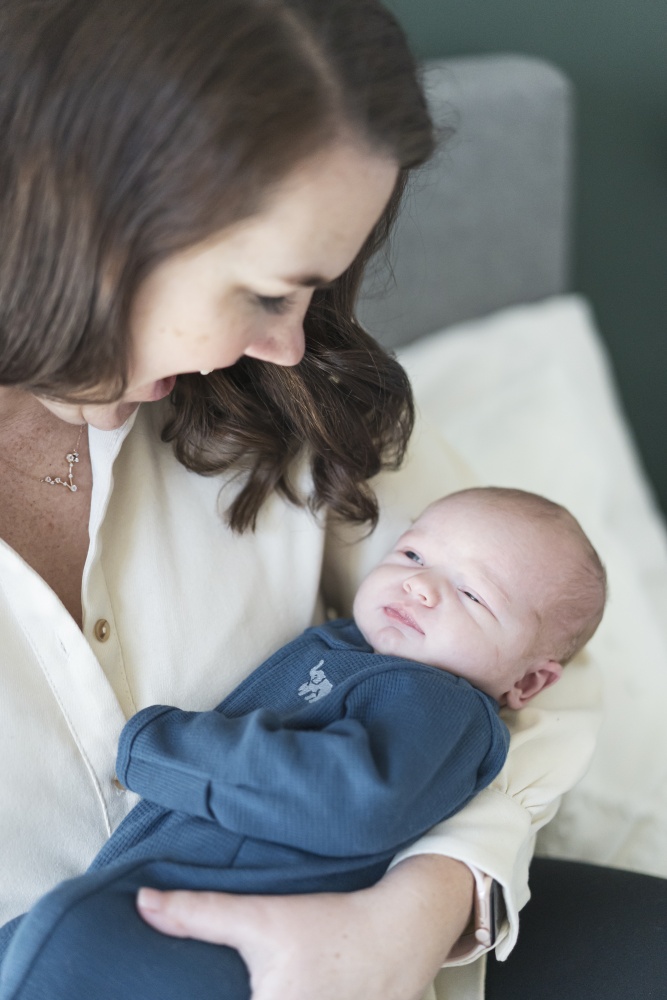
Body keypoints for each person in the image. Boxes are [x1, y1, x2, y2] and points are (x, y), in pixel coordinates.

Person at [0, 1, 643, 999]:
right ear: (84, 222)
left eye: (316, 292)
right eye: (264, 292)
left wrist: (424, 905)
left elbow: (543, 664)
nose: (290, 343)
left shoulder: (293, 401)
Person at [0, 487, 607, 1000]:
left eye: (474, 595)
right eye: (413, 553)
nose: (421, 585)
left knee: (65, 938)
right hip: (157, 907)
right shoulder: (356, 653)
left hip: (223, 931)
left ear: (527, 682)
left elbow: (352, 798)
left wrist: (157, 748)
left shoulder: (439, 703)